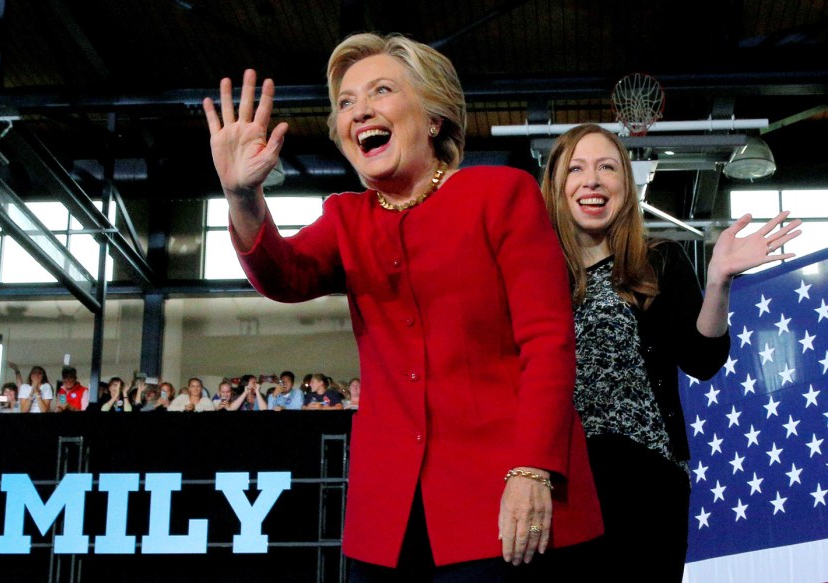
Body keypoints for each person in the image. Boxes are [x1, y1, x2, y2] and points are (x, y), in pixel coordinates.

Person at [203, 32, 601, 580]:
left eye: (381, 90)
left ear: (433, 117)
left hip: (502, 497)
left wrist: (532, 470)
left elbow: (548, 341)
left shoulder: (501, 195)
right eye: (345, 102)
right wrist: (243, 197)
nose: (360, 110)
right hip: (387, 517)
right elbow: (283, 275)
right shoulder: (346, 217)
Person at [539, 123, 803, 581]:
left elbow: (702, 359)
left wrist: (719, 279)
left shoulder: (657, 260)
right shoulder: (530, 271)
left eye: (607, 167)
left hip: (644, 479)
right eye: (576, 168)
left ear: (626, 182)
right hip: (554, 480)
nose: (593, 180)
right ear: (557, 186)